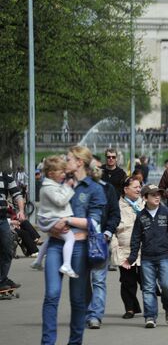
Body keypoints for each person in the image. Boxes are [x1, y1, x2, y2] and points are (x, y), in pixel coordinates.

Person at [41, 145, 106, 345]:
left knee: (78, 299)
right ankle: (47, 342)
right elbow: (45, 213)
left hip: (79, 247)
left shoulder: (95, 188)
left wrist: (67, 221)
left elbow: (94, 223)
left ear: (79, 162)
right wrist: (49, 226)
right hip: (55, 243)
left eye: (68, 159)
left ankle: (74, 342)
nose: (64, 161)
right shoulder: (56, 183)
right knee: (51, 294)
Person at [121, 184, 168, 329]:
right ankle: (150, 317)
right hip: (147, 258)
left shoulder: (166, 212)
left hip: (164, 256)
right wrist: (131, 258)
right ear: (145, 197)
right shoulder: (141, 216)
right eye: (153, 194)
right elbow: (135, 239)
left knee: (167, 286)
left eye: (158, 194)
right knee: (148, 288)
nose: (157, 197)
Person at [87, 158, 121, 329]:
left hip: (101, 240)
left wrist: (108, 232)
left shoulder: (109, 190)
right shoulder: (79, 189)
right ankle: (87, 312)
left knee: (98, 280)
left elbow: (115, 214)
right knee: (84, 280)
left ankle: (95, 315)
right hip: (81, 240)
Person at [31, 156, 77, 278]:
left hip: (49, 218)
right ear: (51, 174)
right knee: (70, 238)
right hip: (51, 219)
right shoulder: (49, 188)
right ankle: (67, 264)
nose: (64, 174)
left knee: (50, 238)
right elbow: (60, 201)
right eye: (61, 172)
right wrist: (68, 187)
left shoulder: (51, 185)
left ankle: (38, 260)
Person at [111, 176, 145, 320]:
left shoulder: (145, 204)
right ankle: (130, 308)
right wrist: (114, 249)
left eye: (139, 187)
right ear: (125, 189)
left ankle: (151, 307)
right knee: (127, 281)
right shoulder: (116, 206)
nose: (139, 189)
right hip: (124, 250)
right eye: (135, 187)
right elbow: (112, 229)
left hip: (144, 249)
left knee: (145, 280)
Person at [0, 170, 26, 291]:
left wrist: (21, 210)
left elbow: (17, 195)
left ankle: (2, 279)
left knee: (7, 249)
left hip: (2, 218)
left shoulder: (6, 177)